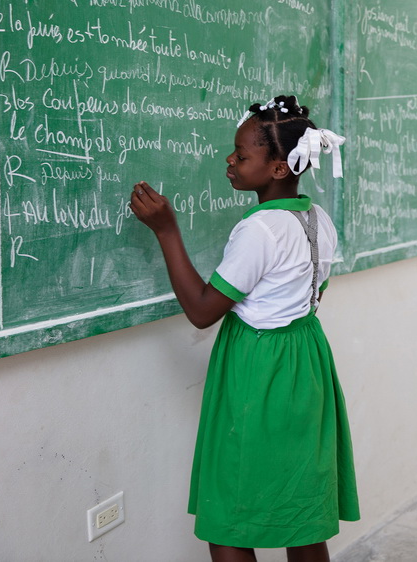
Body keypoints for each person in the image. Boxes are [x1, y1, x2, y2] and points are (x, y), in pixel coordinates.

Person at [129, 95, 359, 562]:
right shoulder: (318, 219)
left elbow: (202, 310)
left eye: (242, 155)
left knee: (230, 514)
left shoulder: (260, 230)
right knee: (302, 511)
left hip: (259, 367)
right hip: (305, 361)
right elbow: (309, 293)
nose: (229, 160)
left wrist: (167, 230)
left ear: (278, 169)